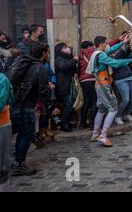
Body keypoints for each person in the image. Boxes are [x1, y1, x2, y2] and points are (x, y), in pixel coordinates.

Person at [86, 36, 132, 147]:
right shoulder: (101, 55)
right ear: (101, 44)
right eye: (106, 43)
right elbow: (114, 63)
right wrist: (131, 60)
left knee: (101, 109)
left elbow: (111, 50)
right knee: (113, 108)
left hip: (99, 84)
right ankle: (103, 135)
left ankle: (95, 133)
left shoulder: (97, 53)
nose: (107, 45)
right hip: (104, 85)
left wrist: (122, 42)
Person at [10, 43, 52, 176]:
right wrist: (49, 105)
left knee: (22, 134)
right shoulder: (40, 68)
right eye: (48, 52)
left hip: (15, 105)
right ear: (44, 53)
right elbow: (43, 90)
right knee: (28, 135)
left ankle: (17, 161)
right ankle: (19, 164)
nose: (49, 55)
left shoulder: (24, 64)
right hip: (26, 106)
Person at [111, 42, 132, 125]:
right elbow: (119, 56)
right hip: (120, 80)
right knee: (125, 99)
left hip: (130, 77)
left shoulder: (122, 55)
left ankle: (127, 114)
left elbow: (128, 51)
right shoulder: (109, 58)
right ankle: (118, 116)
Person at [54, 43, 78, 132]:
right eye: (65, 47)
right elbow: (63, 67)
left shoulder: (68, 58)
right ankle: (64, 124)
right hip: (62, 86)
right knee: (69, 104)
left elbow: (73, 68)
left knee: (70, 105)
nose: (67, 48)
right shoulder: (58, 59)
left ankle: (66, 122)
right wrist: (74, 60)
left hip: (69, 85)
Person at [78, 41, 97, 128]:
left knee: (86, 101)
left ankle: (82, 123)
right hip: (92, 79)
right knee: (94, 101)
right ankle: (93, 123)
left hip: (83, 80)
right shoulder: (93, 52)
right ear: (89, 47)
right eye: (92, 46)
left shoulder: (79, 55)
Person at [0, 73, 13, 192]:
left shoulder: (2, 79)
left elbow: (3, 102)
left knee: (3, 166)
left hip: (2, 123)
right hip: (2, 123)